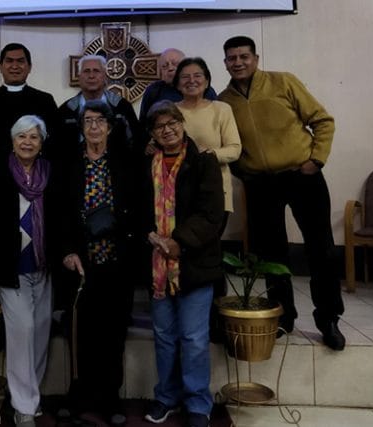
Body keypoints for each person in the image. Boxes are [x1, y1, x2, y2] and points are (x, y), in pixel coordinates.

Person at [219, 35, 345, 350]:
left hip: (302, 176)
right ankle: (283, 317)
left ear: (256, 58)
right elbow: (228, 145)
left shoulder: (283, 82)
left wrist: (316, 160)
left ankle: (328, 318)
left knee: (322, 249)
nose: (238, 62)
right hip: (260, 184)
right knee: (271, 254)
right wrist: (243, 173)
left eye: (244, 56)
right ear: (225, 63)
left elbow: (323, 121)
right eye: (232, 58)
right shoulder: (225, 101)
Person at [56, 100, 143, 426]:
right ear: (81, 128)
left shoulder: (126, 162)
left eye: (99, 121)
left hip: (116, 260)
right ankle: (78, 392)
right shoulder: (68, 165)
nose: (94, 127)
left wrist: (119, 225)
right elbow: (59, 213)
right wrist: (67, 250)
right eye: (87, 121)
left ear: (109, 126)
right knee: (80, 332)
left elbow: (137, 206)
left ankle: (110, 396)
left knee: (113, 331)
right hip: (80, 263)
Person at [141, 101, 224, 427]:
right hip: (156, 263)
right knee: (164, 336)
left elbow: (211, 213)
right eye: (160, 126)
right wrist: (152, 238)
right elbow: (139, 207)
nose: (168, 130)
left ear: (182, 123)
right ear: (152, 133)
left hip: (195, 262)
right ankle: (166, 397)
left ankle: (198, 404)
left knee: (193, 338)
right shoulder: (146, 164)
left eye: (172, 122)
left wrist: (179, 242)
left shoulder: (203, 162)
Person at [0, 115, 55, 427]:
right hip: (11, 268)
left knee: (39, 331)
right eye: (21, 136)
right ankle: (23, 405)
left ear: (41, 143)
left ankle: (31, 395)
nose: (27, 142)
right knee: (22, 330)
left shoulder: (51, 172)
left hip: (44, 266)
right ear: (12, 141)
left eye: (34, 137)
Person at [173, 57, 241, 341]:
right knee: (181, 253)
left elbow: (234, 149)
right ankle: (184, 317)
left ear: (207, 79)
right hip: (175, 197)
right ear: (176, 83)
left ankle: (216, 322)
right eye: (185, 76)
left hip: (213, 196)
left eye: (197, 75)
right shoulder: (169, 111)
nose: (191, 80)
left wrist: (203, 158)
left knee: (207, 257)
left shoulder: (221, 109)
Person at [0, 43, 58, 177]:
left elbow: (56, 140)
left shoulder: (44, 100)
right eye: (9, 61)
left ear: (29, 67)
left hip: (35, 175)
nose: (15, 66)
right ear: (0, 66)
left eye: (20, 61)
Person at [56, 55, 146, 160]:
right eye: (86, 71)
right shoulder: (66, 110)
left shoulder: (122, 107)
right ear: (79, 76)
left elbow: (136, 142)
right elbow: (57, 147)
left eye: (96, 71)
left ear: (104, 76)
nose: (91, 76)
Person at [138, 48, 218, 129]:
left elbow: (216, 119)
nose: (170, 68)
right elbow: (144, 125)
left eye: (175, 64)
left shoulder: (201, 88)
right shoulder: (153, 90)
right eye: (165, 66)